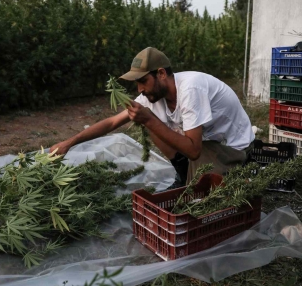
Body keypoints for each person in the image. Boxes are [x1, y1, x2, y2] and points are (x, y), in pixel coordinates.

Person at [50, 47, 255, 188]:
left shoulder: (191, 88)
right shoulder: (153, 94)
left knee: (205, 197)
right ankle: (183, 175)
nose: (140, 89)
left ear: (162, 74)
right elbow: (112, 122)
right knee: (148, 121)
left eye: (143, 81)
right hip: (206, 145)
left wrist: (149, 119)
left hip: (233, 148)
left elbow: (193, 150)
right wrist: (70, 142)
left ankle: (224, 174)